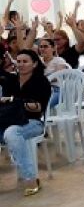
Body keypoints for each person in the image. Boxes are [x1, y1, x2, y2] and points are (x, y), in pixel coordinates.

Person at [0, 49, 52, 196]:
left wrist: (14, 101)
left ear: (34, 64)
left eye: (25, 61)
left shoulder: (41, 82)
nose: (21, 64)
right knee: (10, 131)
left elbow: (38, 107)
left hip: (33, 122)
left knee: (11, 133)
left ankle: (30, 178)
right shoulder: (11, 81)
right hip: (10, 119)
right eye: (19, 61)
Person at [37, 37, 70, 111]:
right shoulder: (38, 61)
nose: (42, 49)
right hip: (40, 89)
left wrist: (41, 79)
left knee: (43, 106)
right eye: (41, 47)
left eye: (45, 46)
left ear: (53, 48)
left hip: (56, 90)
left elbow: (57, 76)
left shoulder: (59, 60)